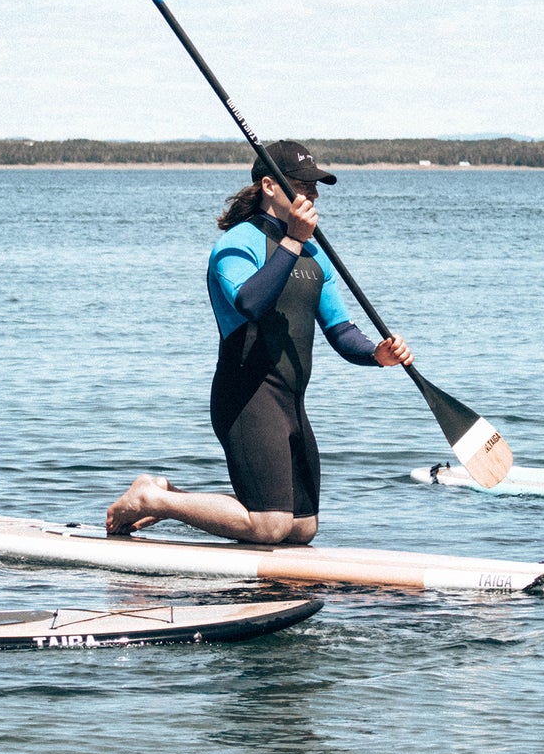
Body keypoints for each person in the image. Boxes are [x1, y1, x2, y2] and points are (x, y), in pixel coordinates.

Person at [106, 141, 410, 544]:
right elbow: (250, 303)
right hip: (246, 395)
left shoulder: (313, 255)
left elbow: (340, 330)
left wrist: (376, 354)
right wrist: (292, 242)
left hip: (292, 400)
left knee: (301, 529)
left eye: (316, 186)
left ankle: (171, 498)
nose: (314, 195)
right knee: (270, 527)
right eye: (303, 185)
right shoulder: (236, 244)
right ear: (270, 185)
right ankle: (150, 498)